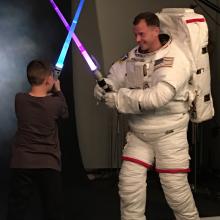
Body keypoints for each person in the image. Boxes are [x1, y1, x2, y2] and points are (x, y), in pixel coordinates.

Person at [94, 12, 200, 220]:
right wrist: (104, 88)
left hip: (169, 133)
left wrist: (118, 99)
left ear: (155, 31)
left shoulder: (175, 58)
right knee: (129, 187)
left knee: (175, 191)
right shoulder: (134, 55)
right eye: (135, 35)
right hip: (139, 133)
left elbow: (158, 97)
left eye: (141, 34)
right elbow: (116, 76)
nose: (137, 39)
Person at [7, 59, 69, 220]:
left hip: (22, 162)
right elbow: (64, 112)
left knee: (17, 209)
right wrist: (58, 90)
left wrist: (51, 89)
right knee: (53, 210)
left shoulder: (19, 99)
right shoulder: (55, 103)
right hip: (48, 164)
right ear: (49, 79)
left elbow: (37, 101)